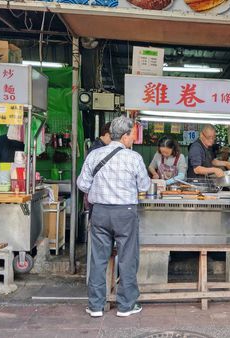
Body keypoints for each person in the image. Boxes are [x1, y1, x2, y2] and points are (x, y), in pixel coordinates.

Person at [77, 116, 150, 318]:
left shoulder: (95, 154)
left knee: (98, 259)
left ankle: (95, 306)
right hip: (125, 213)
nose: (133, 139)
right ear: (125, 136)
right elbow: (144, 186)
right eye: (132, 135)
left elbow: (82, 184)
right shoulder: (133, 158)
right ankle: (126, 306)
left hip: (99, 212)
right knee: (127, 258)